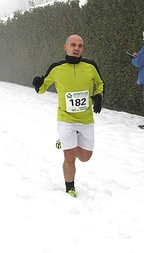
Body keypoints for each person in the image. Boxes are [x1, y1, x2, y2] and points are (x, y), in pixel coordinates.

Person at [32, 34, 104, 197]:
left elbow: (100, 83)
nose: (77, 48)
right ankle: (69, 187)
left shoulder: (91, 66)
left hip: (86, 120)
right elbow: (42, 88)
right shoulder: (56, 68)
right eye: (73, 45)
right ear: (66, 47)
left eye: (80, 46)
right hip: (65, 119)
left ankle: (66, 142)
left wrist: (99, 96)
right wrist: (37, 84)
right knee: (69, 155)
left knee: (85, 157)